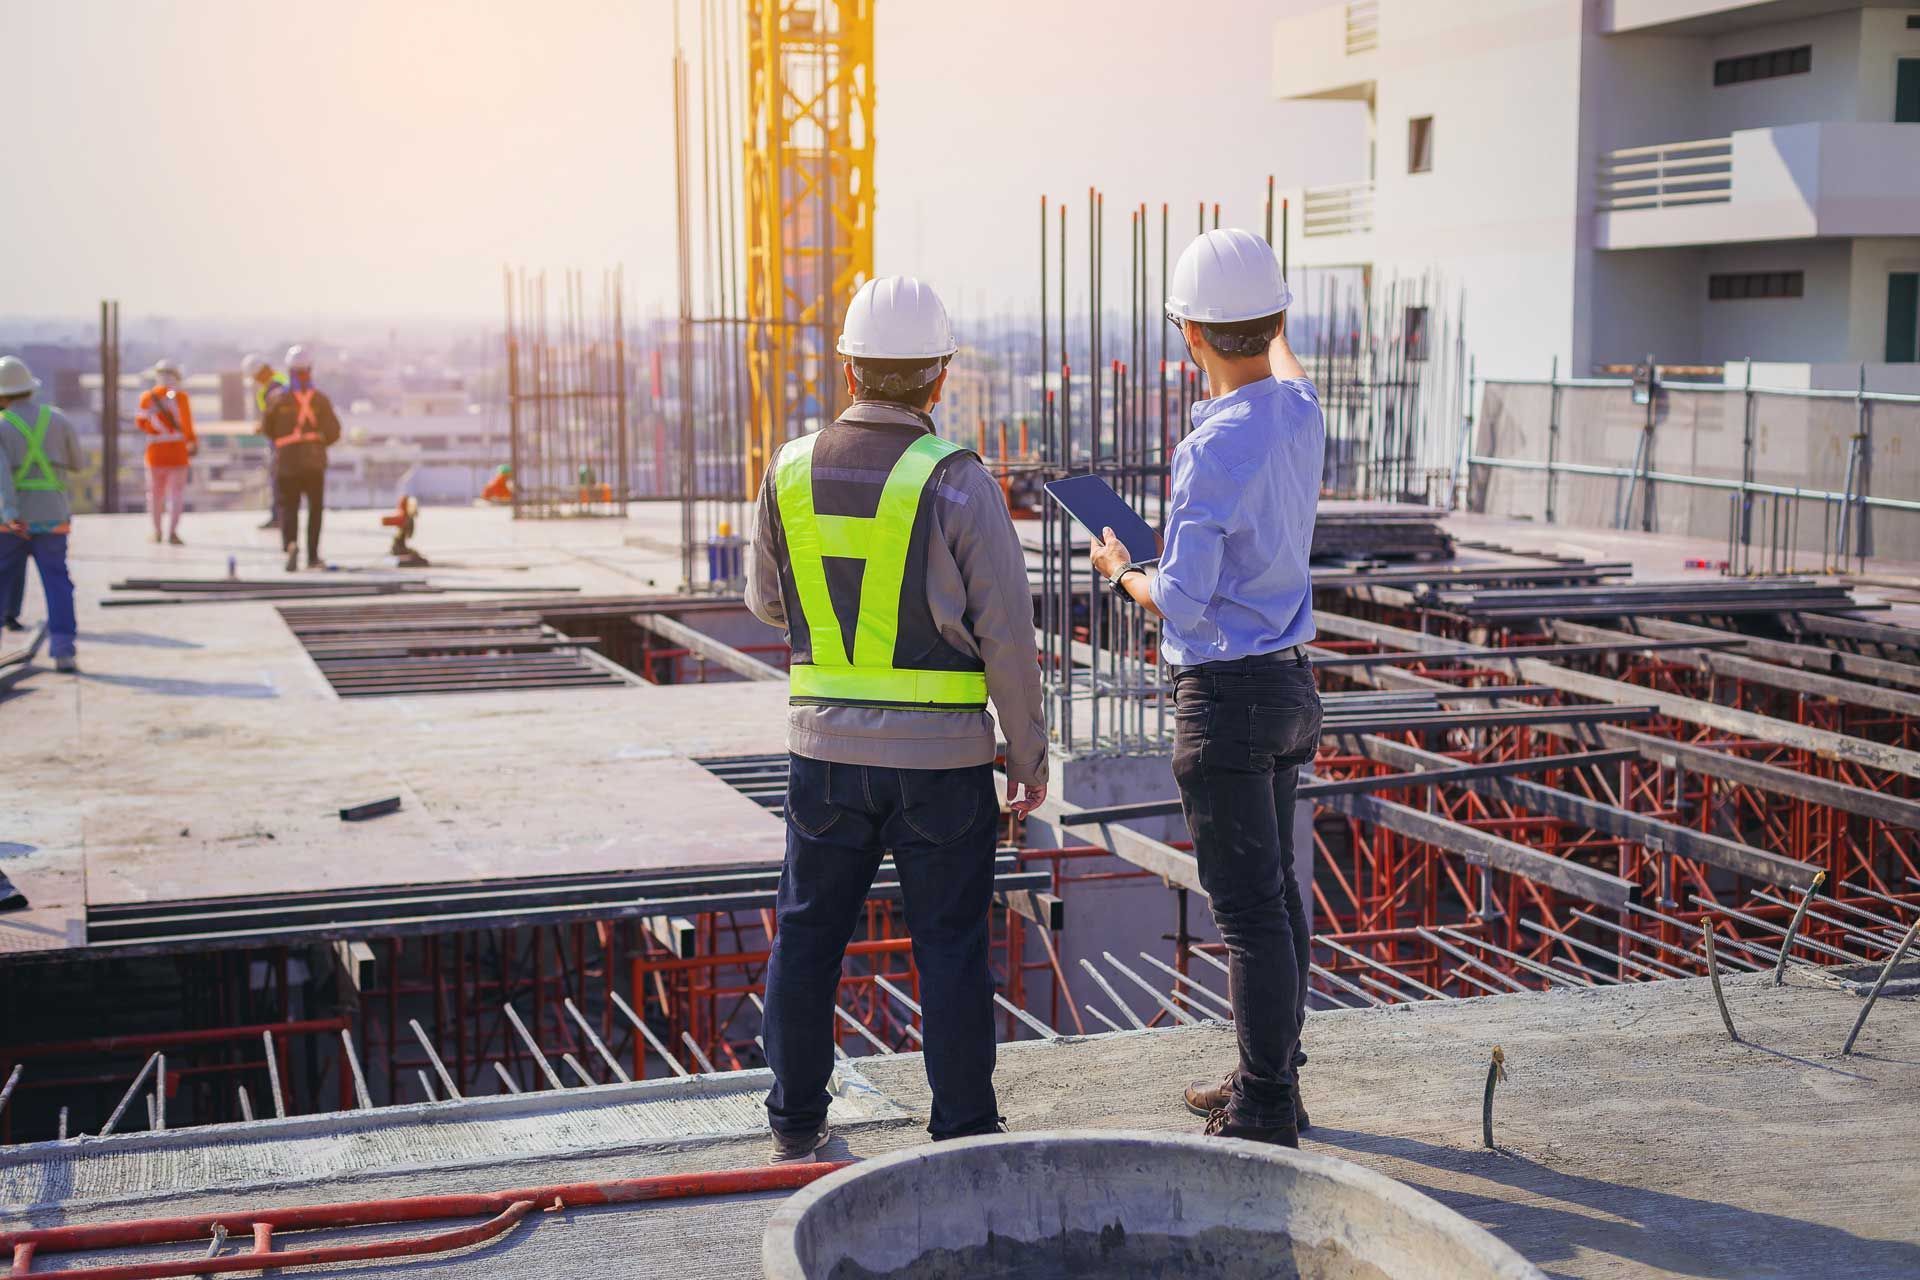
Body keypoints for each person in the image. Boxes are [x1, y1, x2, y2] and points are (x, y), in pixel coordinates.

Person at [747, 276, 1048, 1163]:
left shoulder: (789, 468)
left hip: (824, 756)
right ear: (938, 377)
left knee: (806, 937)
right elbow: (1008, 636)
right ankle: (961, 1132)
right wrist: (1026, 754)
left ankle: (796, 1123)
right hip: (943, 767)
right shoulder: (958, 482)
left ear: (849, 371)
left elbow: (769, 601)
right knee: (951, 949)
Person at [1090, 228, 1325, 1149]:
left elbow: (1183, 606)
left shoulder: (1212, 444)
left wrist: (1118, 566)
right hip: (1289, 689)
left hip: (1225, 698)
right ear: (1272, 322)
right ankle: (1273, 1077)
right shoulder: (1300, 414)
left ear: (1188, 335)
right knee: (1276, 896)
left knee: (1251, 913)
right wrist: (1268, 322)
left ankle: (1265, 1106)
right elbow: (1287, 368)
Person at [0, 355, 85, 672]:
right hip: (53, 515)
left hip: (13, 521)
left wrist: (10, 513)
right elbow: (78, 463)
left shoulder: (3, 425)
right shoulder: (59, 419)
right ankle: (64, 649)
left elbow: (2, 479)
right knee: (57, 582)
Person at [260, 344, 341, 572]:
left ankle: (291, 545)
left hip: (286, 462)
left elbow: (268, 429)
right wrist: (317, 443)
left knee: (288, 507)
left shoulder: (277, 399)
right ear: (310, 368)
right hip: (314, 461)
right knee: (315, 509)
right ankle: (313, 556)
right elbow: (334, 431)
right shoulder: (319, 399)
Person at [135, 360, 197, 545]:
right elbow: (187, 425)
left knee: (155, 495)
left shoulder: (147, 397)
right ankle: (172, 533)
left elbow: (140, 423)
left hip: (155, 455)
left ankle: (157, 532)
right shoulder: (181, 397)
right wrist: (192, 442)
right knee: (176, 495)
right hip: (178, 453)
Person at [243, 353, 289, 530]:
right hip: (280, 440)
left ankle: (279, 516)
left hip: (279, 442)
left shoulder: (274, 387)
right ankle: (281, 516)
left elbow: (277, 418)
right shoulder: (277, 383)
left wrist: (263, 427)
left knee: (278, 480)